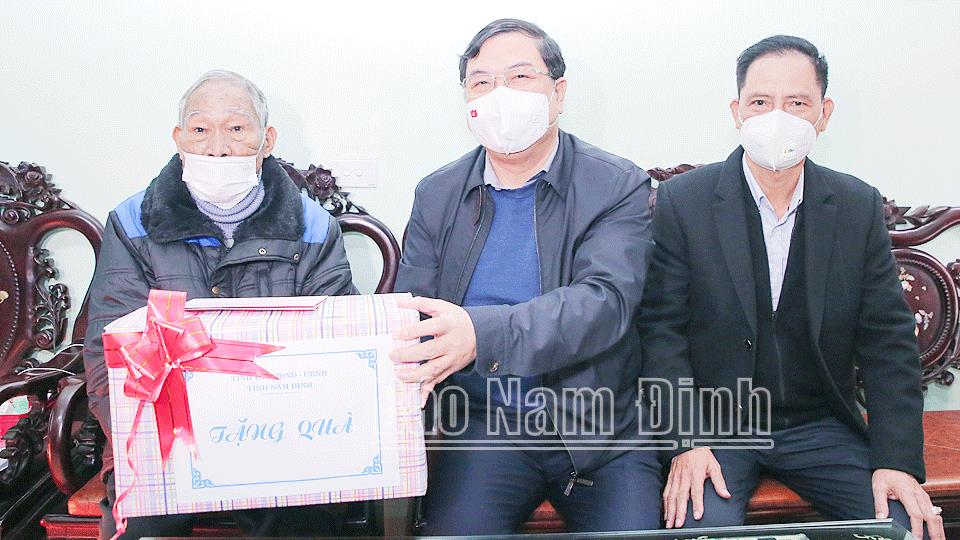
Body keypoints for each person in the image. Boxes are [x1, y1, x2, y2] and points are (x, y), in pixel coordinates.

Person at [639, 36, 944, 540]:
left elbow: (888, 342)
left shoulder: (855, 205)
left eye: (797, 103)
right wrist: (686, 441)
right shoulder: (684, 202)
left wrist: (896, 461)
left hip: (820, 426)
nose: (777, 117)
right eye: (761, 102)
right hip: (718, 430)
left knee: (906, 528)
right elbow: (660, 332)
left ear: (823, 114)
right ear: (738, 111)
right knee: (696, 531)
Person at [392, 18, 661, 535]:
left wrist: (480, 334)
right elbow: (414, 311)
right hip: (485, 424)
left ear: (558, 93)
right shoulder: (437, 193)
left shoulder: (616, 184)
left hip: (600, 427)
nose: (500, 96)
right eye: (482, 82)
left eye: (519, 77)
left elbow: (605, 303)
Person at [83, 69, 356, 539]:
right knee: (145, 523)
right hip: (165, 434)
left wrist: (284, 429)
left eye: (236, 128)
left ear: (266, 140)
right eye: (200, 129)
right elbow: (110, 353)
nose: (217, 148)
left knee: (303, 521)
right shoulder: (132, 223)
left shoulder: (312, 227)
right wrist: (162, 437)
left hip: (283, 434)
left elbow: (338, 344)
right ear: (178, 139)